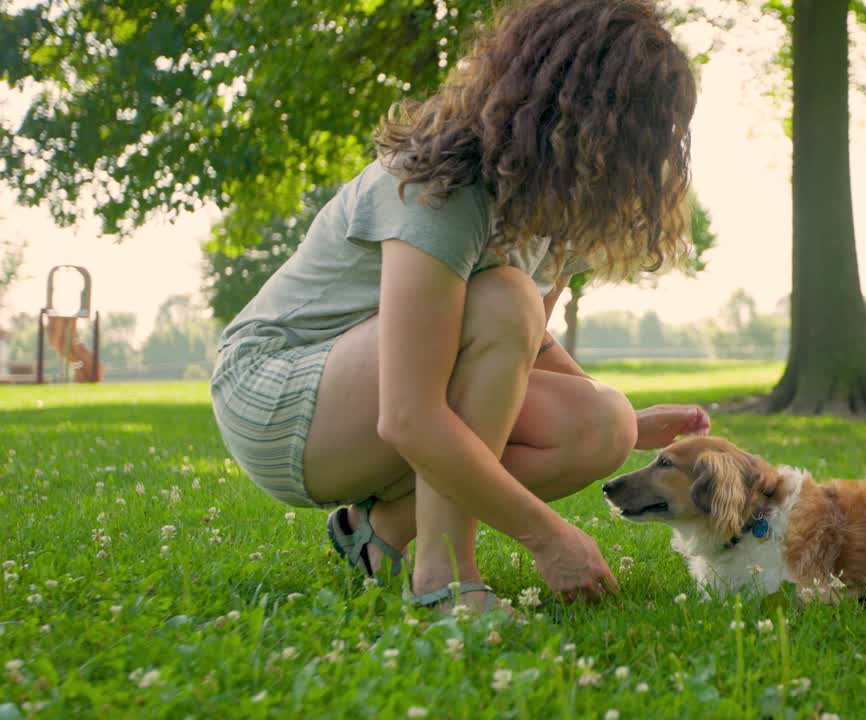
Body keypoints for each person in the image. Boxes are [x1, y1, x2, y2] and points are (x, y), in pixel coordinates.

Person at [209, 0, 710, 611]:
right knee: (504, 296)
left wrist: (631, 426)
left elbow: (516, 349)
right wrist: (547, 538)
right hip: (276, 393)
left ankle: (379, 536)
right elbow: (410, 415)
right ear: (584, 114)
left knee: (603, 421)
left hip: (368, 398)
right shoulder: (446, 186)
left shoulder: (552, 211)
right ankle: (442, 580)